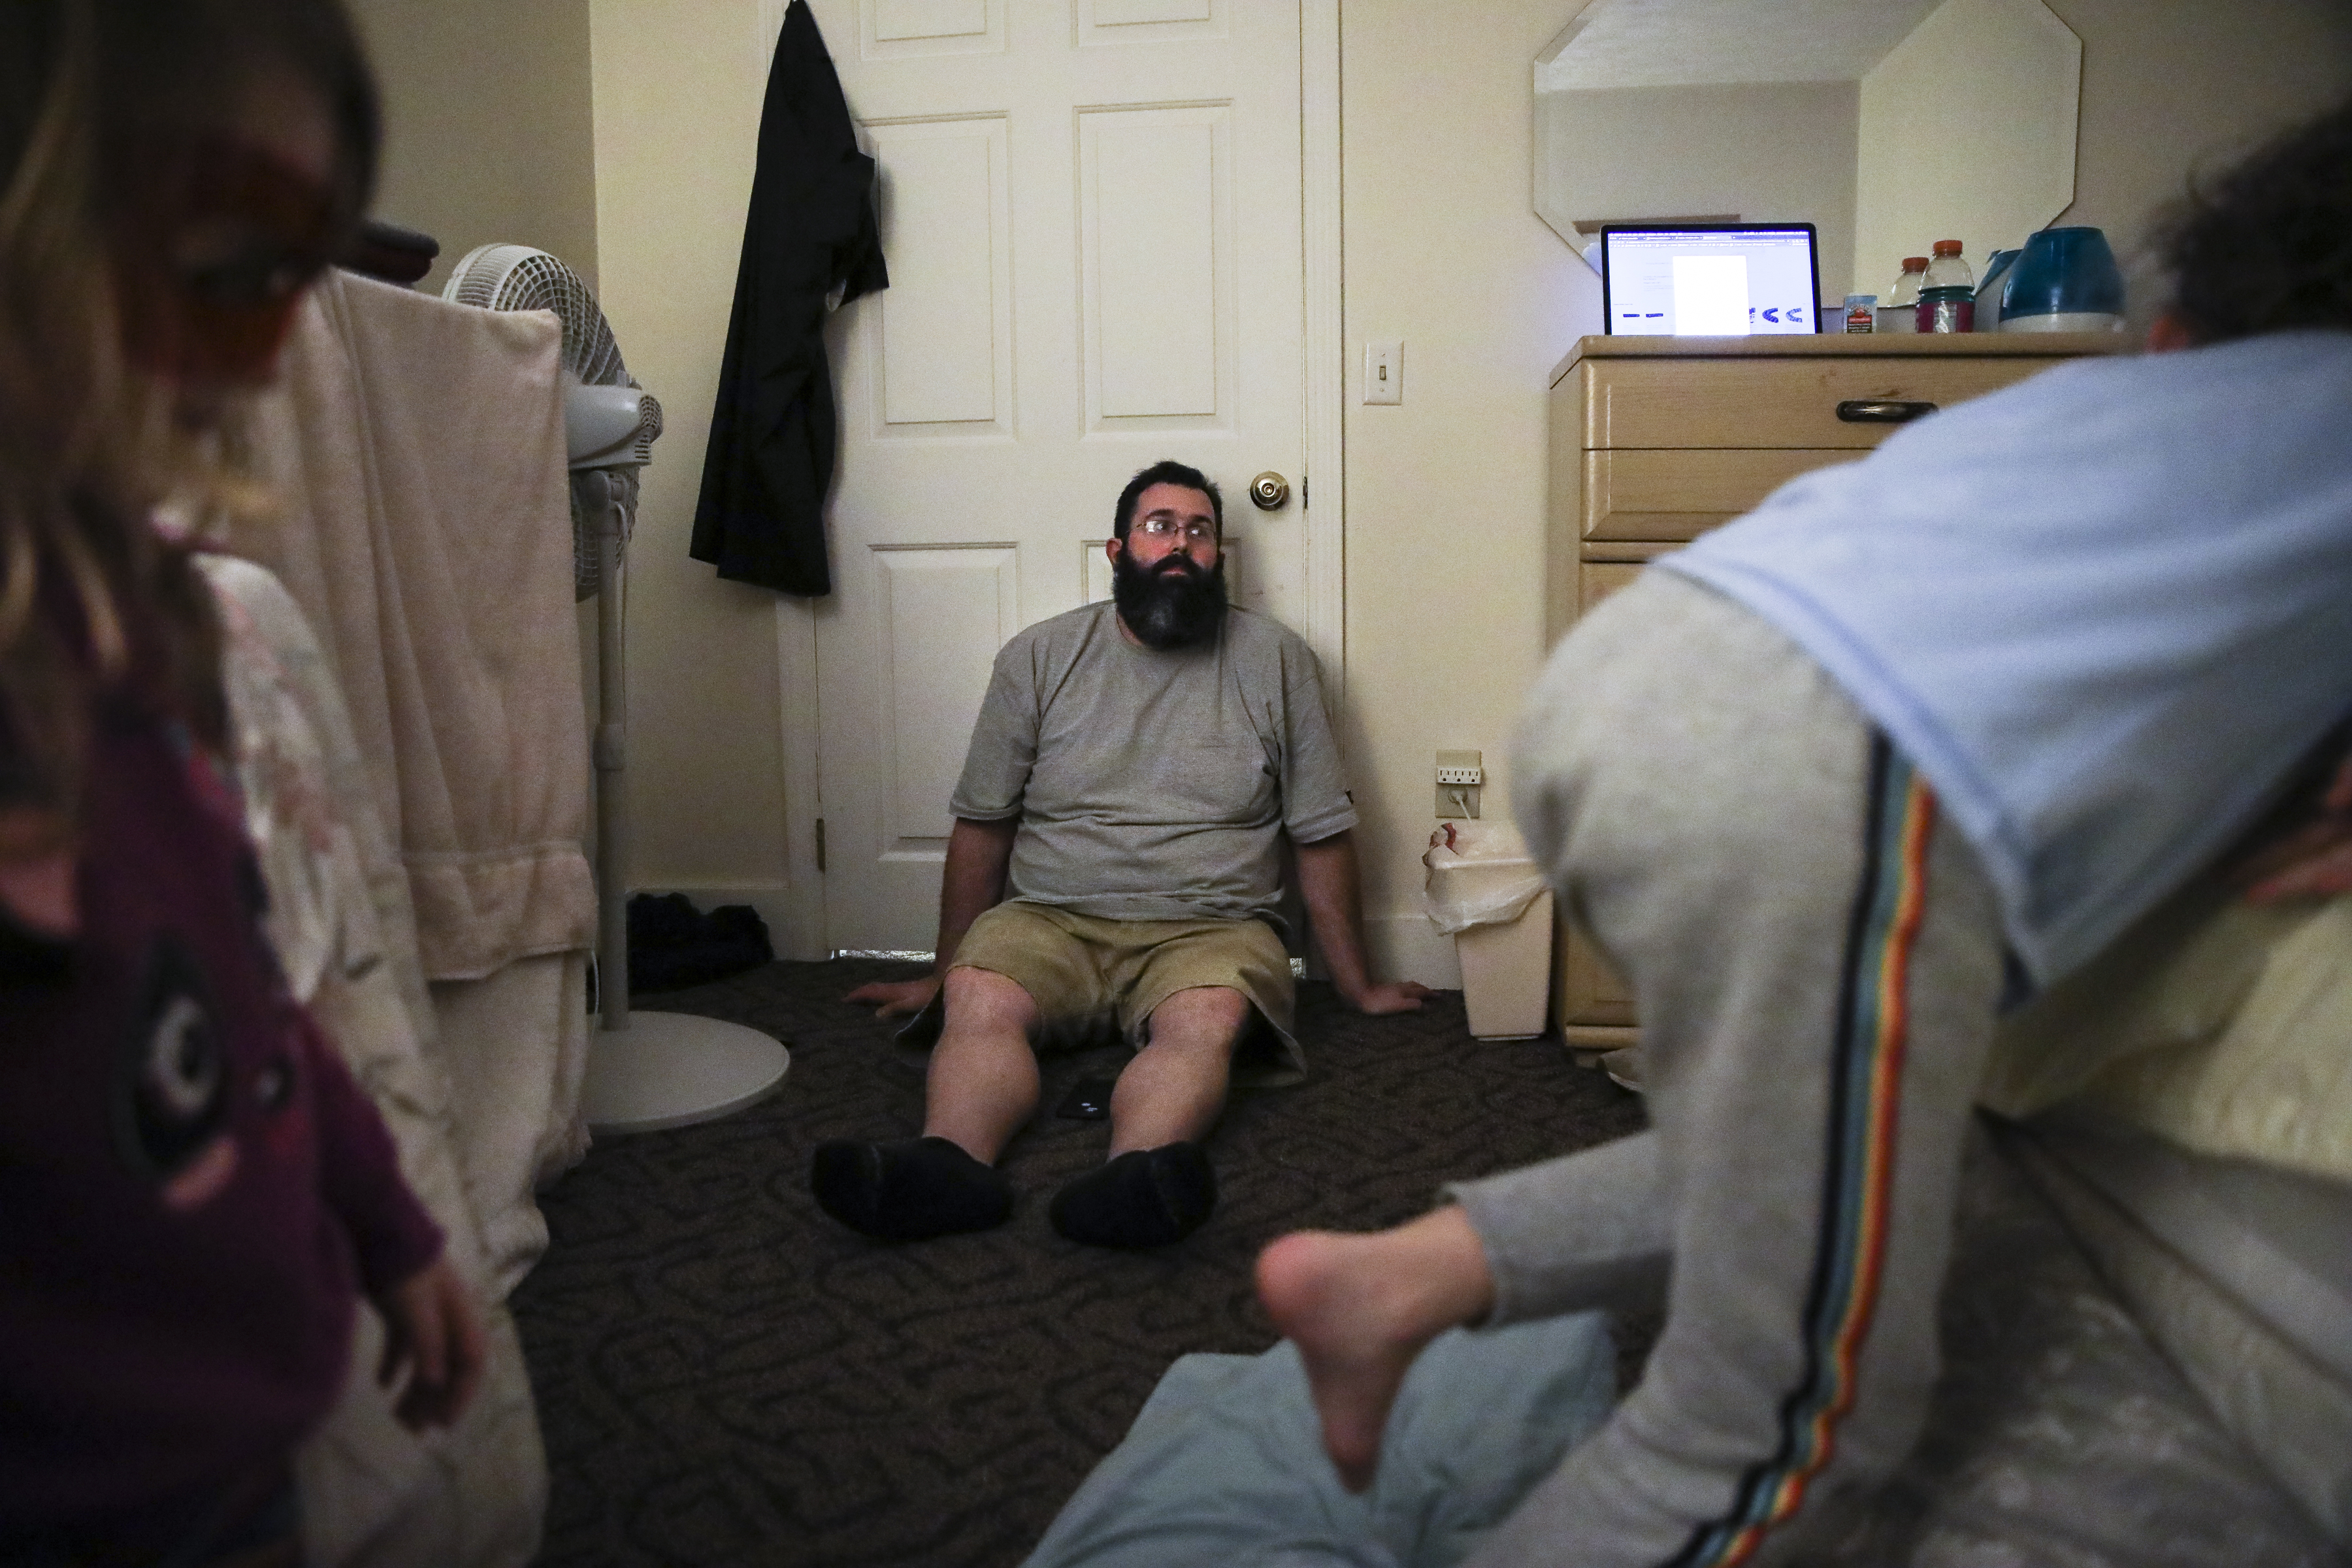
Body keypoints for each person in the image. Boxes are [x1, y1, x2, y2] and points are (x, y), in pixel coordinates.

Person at [1024, 99, 2352, 1567]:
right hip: (1826, 764)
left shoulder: (2080, 402)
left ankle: (1405, 1278)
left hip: (1639, 676)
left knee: (1827, 1124)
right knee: (1788, 1418)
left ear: (2180, 340)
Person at [0, 3, 483, 1561]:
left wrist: (392, 1227)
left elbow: (245, 992)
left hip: (243, 1467)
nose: (278, 348)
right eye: (227, 270)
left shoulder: (158, 627)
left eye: (304, 267)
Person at [818, 461, 1431, 1247]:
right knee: (980, 1000)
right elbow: (983, 824)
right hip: (1050, 919)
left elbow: (1319, 831)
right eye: (1160, 526)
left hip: (1214, 928)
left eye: (1199, 531)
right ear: (1117, 551)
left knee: (1204, 1021)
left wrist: (1359, 985)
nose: (1181, 544)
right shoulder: (1038, 658)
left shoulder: (1276, 662)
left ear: (1218, 557)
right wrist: (945, 969)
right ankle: (949, 1167)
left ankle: (1132, 1176)